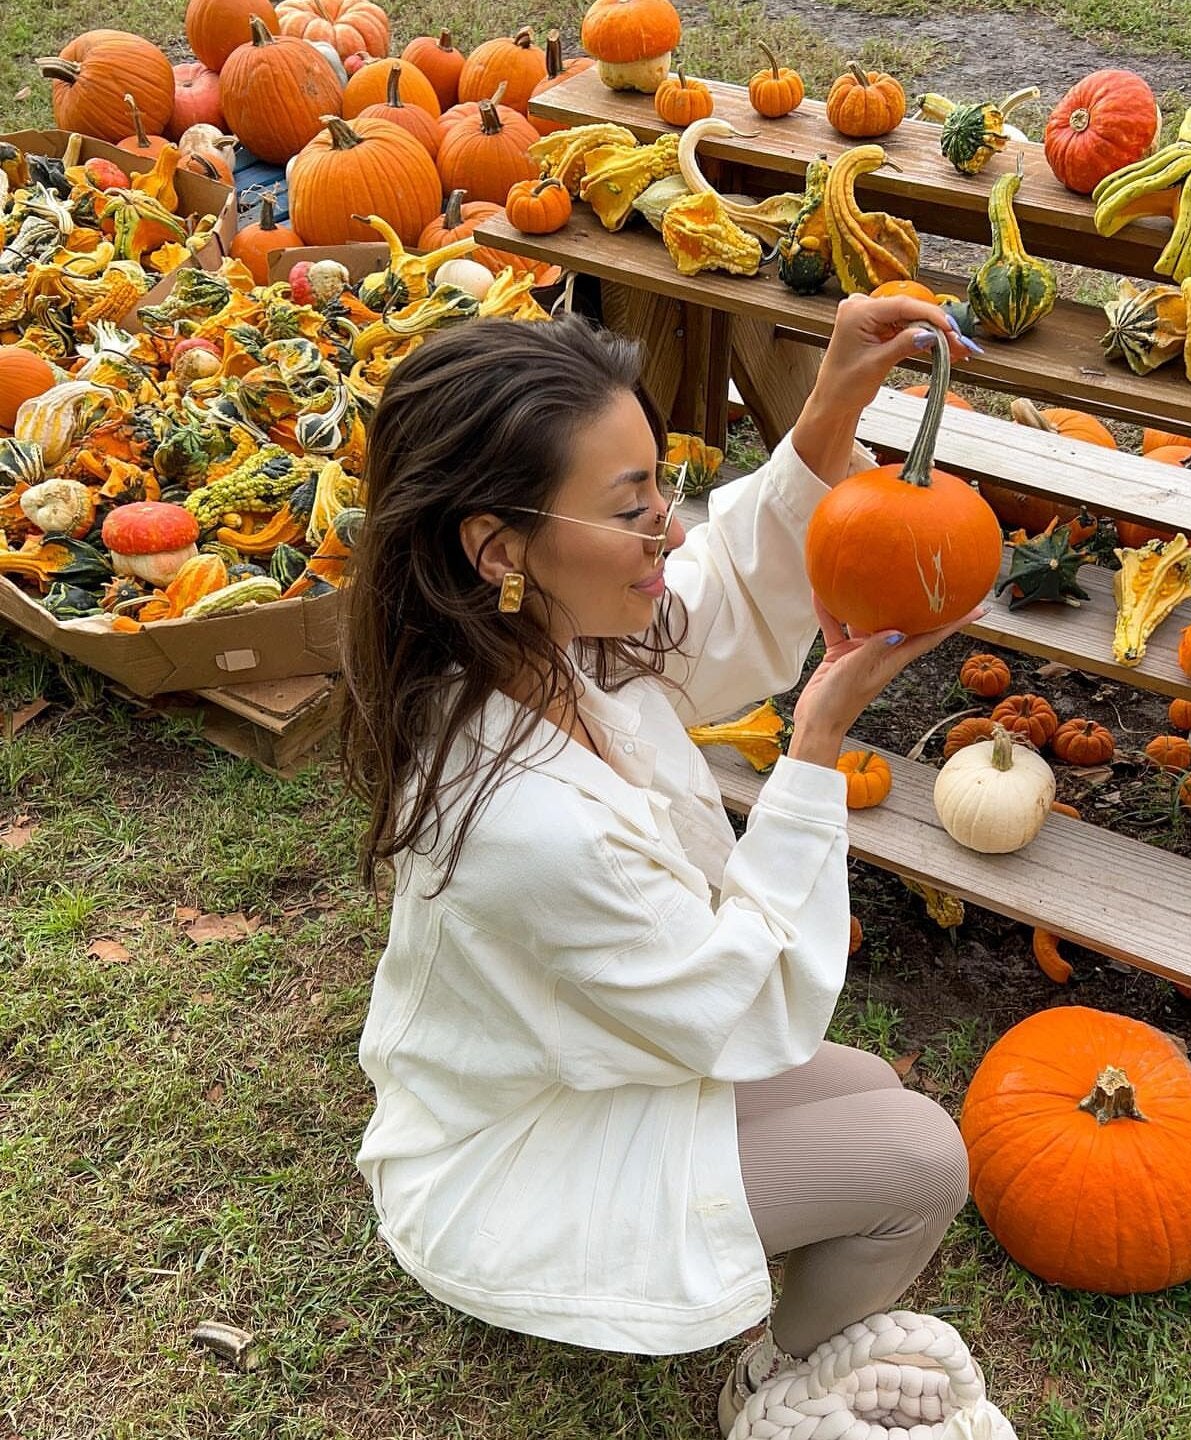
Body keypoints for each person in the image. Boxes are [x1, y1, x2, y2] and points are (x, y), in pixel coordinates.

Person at [340, 294, 982, 1435]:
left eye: (662, 492)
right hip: (510, 1155)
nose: (671, 534)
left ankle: (776, 1316)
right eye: (633, 509)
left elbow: (719, 595)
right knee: (920, 1155)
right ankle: (772, 1383)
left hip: (574, 1063)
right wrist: (816, 747)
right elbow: (740, 1010)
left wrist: (833, 401)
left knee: (869, 1091)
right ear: (498, 546)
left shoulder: (530, 637)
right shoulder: (532, 824)